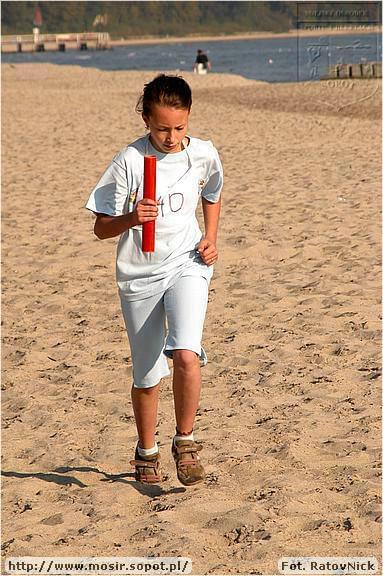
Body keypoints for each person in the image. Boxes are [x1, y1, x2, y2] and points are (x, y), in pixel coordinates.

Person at [86, 74, 223, 486]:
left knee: (186, 354)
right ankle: (147, 450)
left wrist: (210, 238)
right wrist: (132, 218)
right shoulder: (129, 161)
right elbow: (101, 228)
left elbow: (212, 193)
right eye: (162, 128)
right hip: (140, 274)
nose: (171, 137)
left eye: (179, 127)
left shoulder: (203, 154)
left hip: (187, 263)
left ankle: (186, 442)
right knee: (147, 374)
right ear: (146, 119)